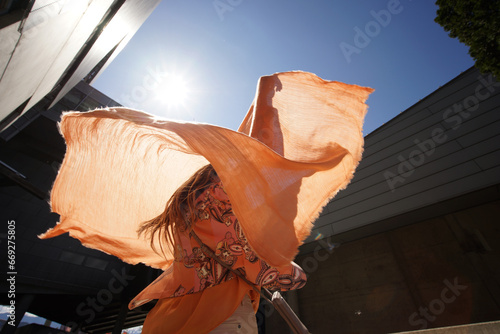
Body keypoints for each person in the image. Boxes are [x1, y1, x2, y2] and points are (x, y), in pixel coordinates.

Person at [40, 71, 373, 334]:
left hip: (195, 316)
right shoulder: (218, 195)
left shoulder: (207, 194)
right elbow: (251, 262)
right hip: (215, 320)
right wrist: (293, 274)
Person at [133, 164, 307, 332]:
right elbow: (255, 263)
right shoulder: (218, 198)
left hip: (175, 315)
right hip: (220, 317)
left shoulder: (188, 209)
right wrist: (295, 273)